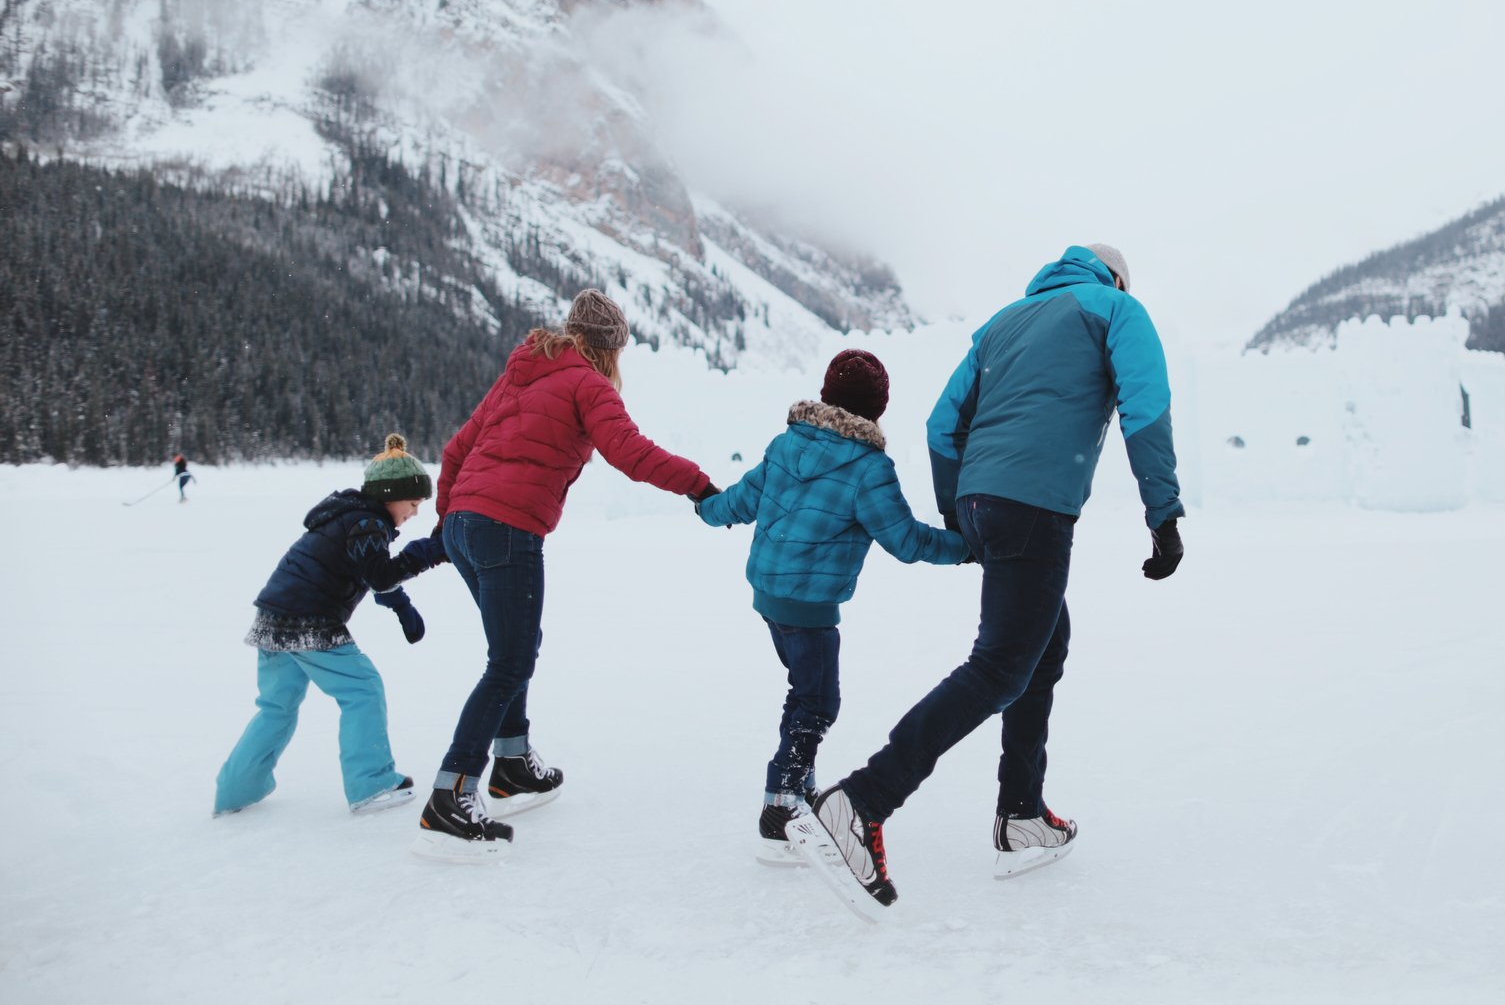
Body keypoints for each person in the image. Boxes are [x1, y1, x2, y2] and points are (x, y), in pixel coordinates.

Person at [789, 244, 1185, 911]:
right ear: (1114, 277)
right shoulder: (1116, 308)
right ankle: (861, 802)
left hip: (985, 498)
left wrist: (960, 512)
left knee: (1043, 643)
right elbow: (1145, 404)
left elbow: (943, 428)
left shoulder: (1002, 323)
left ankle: (1023, 814)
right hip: (1034, 507)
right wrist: (1163, 512)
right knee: (1002, 664)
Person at [416, 289, 716, 862]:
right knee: (509, 661)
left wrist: (449, 520)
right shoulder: (587, 384)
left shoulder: (523, 371)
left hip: (465, 524)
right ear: (609, 349)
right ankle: (450, 796)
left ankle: (510, 763)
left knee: (517, 647)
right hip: (506, 529)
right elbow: (629, 453)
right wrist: (699, 485)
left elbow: (457, 448)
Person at [693, 349, 969, 864]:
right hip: (810, 606)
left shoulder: (785, 444)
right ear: (877, 409)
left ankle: (799, 791)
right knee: (818, 702)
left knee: (804, 693)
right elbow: (906, 542)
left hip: (769, 597)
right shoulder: (868, 467)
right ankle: (781, 807)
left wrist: (706, 506)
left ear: (825, 395)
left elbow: (740, 501)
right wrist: (967, 548)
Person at [213, 434, 445, 817]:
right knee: (363, 689)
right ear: (391, 495)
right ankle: (371, 783)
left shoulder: (349, 517)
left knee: (276, 706)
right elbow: (381, 573)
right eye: (414, 503)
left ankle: (236, 789)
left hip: (273, 616)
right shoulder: (368, 523)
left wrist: (401, 605)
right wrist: (427, 553)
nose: (415, 513)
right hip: (310, 620)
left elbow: (370, 573)